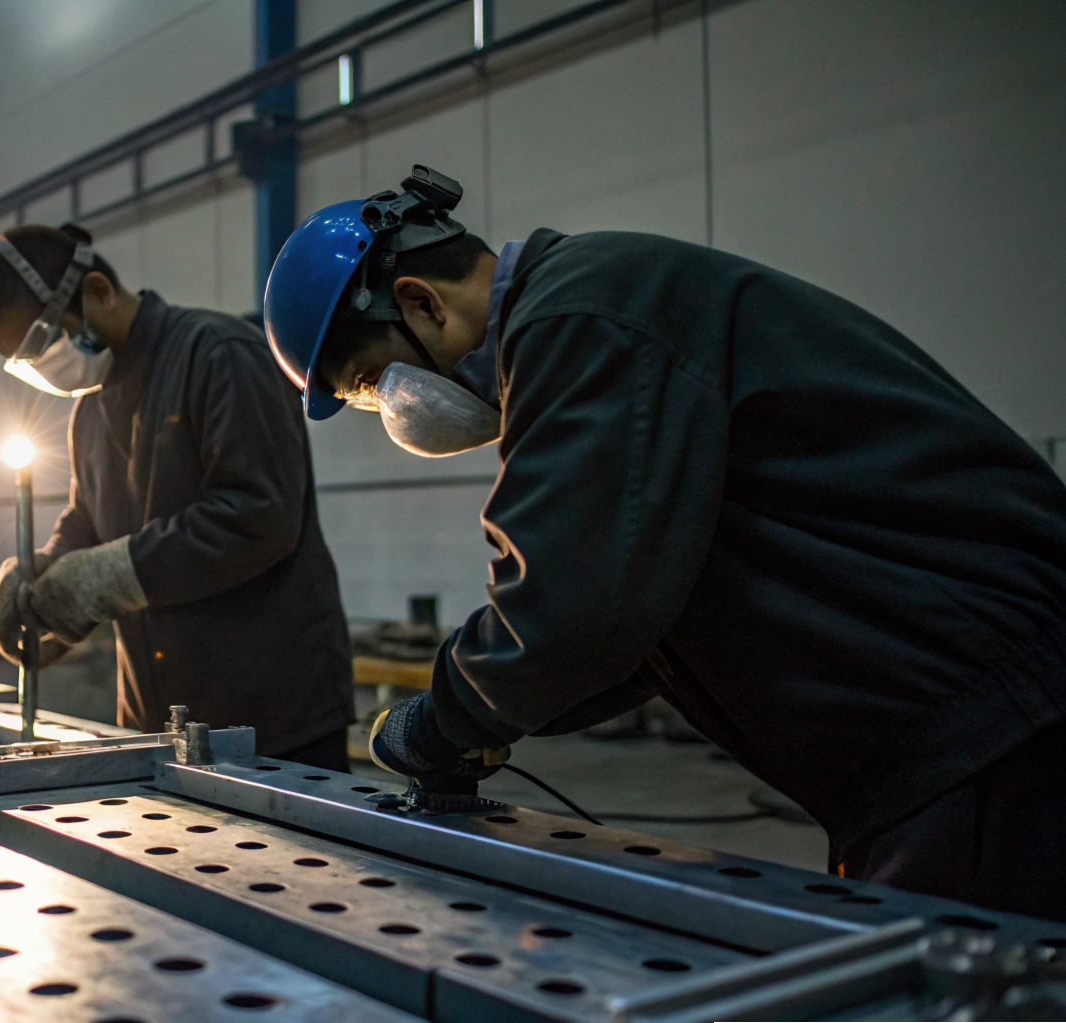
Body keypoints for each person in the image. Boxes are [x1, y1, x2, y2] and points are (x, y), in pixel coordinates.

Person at [263, 165, 1066, 920]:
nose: (390, 407)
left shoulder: (582, 317)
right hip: (958, 731)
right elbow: (640, 624)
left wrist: (440, 718)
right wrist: (498, 713)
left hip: (996, 725)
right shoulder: (585, 311)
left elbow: (572, 608)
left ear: (421, 302)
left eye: (371, 384)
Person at [0, 224, 354, 770]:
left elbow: (258, 518)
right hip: (159, 727)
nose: (41, 368)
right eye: (22, 361)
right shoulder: (90, 410)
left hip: (273, 723)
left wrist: (102, 582)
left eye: (40, 342)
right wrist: (45, 574)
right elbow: (89, 523)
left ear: (99, 290)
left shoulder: (220, 354)